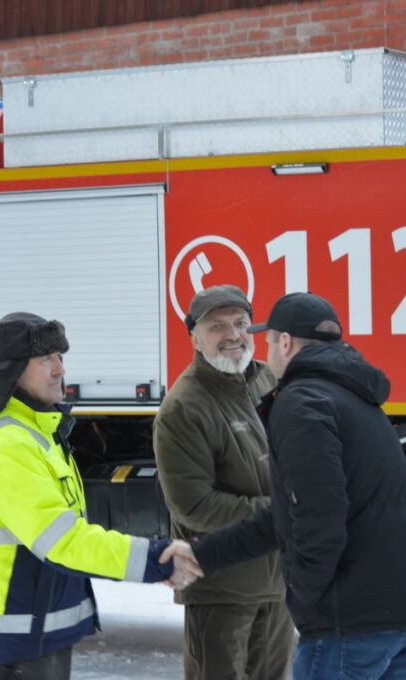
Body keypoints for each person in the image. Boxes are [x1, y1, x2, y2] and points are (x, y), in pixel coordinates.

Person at [167, 292, 406, 680]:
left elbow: (317, 515)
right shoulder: (352, 393)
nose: (264, 349)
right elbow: (290, 511)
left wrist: (306, 600)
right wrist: (204, 555)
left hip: (354, 622)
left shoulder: (301, 402)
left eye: (267, 339)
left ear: (285, 342)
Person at [0, 312, 202, 680]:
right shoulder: (7, 444)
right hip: (19, 634)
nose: (60, 369)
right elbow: (64, 541)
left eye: (60, 357)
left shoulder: (35, 428)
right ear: (13, 371)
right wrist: (154, 559)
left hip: (34, 623)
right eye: (47, 359)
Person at [154, 285, 294, 680]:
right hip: (221, 590)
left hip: (279, 583)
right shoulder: (183, 407)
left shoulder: (269, 379)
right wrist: (284, 514)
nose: (232, 335)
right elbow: (194, 506)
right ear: (194, 339)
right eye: (217, 326)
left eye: (240, 323)